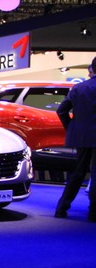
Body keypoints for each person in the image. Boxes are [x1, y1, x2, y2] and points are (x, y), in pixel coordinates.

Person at [54, 56, 96, 221]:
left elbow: (61, 110)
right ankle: (94, 212)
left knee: (77, 173)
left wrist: (72, 127)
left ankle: (61, 208)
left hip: (82, 136)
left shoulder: (78, 88)